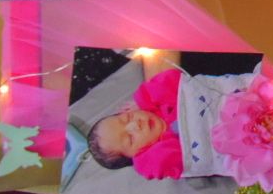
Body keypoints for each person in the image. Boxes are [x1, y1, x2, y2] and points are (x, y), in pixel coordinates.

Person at [87, 62, 258, 180]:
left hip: (245, 97)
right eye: (130, 138)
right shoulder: (160, 156)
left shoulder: (160, 103)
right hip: (248, 137)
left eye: (127, 118)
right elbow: (162, 161)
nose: (135, 125)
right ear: (136, 157)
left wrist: (142, 99)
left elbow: (172, 78)